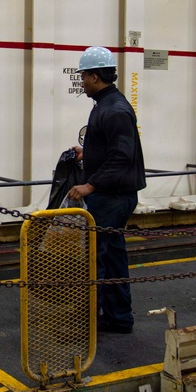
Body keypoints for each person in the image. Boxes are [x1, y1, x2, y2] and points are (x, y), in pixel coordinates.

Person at [66, 46, 146, 334]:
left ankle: (85, 325)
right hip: (114, 195)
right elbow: (113, 149)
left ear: (96, 76)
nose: (82, 81)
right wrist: (87, 152)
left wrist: (90, 184)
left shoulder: (114, 110)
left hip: (112, 197)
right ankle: (119, 317)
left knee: (94, 261)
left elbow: (121, 157)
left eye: (84, 76)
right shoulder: (106, 104)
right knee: (112, 259)